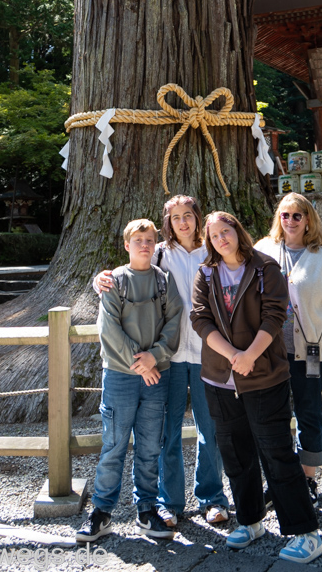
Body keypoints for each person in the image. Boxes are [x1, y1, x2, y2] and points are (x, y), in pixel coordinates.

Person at [190, 211, 322, 562]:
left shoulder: (265, 268)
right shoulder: (205, 274)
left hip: (263, 374)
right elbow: (200, 318)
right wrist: (233, 354)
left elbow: (275, 314)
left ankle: (305, 532)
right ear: (209, 241)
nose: (221, 238)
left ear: (238, 230)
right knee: (235, 453)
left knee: (276, 452)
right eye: (214, 235)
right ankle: (250, 520)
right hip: (219, 377)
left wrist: (249, 355)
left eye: (226, 230)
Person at [92, 195, 230, 528]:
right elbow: (124, 273)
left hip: (207, 352)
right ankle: (169, 502)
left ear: (198, 218)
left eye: (188, 215)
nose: (183, 222)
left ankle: (212, 498)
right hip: (167, 357)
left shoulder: (212, 251)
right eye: (176, 217)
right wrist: (99, 280)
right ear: (167, 222)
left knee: (209, 428)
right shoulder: (158, 253)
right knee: (165, 432)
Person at [77, 218, 183, 543]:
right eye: (138, 241)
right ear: (127, 245)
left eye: (150, 240)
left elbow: (175, 322)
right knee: (113, 446)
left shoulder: (164, 281)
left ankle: (147, 509)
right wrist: (142, 363)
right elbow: (108, 328)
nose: (144, 246)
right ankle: (102, 511)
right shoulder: (114, 282)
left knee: (150, 447)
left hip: (157, 375)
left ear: (156, 244)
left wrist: (157, 356)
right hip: (121, 377)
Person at [255, 192, 322, 504]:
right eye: (285, 215)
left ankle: (308, 479)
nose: (291, 221)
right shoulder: (264, 250)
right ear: (278, 219)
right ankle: (280, 479)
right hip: (270, 351)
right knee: (273, 414)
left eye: (297, 215)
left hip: (310, 351)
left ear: (308, 219)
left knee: (308, 411)